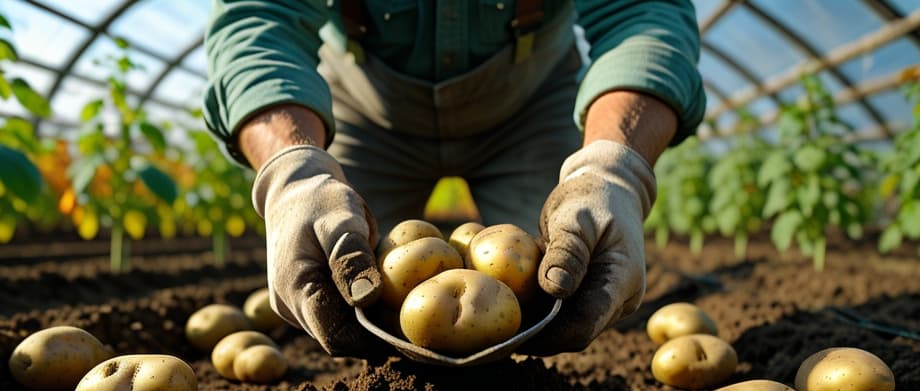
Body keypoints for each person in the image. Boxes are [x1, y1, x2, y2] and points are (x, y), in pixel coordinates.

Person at [203, 0, 706, 357]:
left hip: (530, 103)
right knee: (351, 291)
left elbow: (644, 11)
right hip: (367, 108)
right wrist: (292, 174)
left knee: (556, 292)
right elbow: (261, 15)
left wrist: (616, 168)